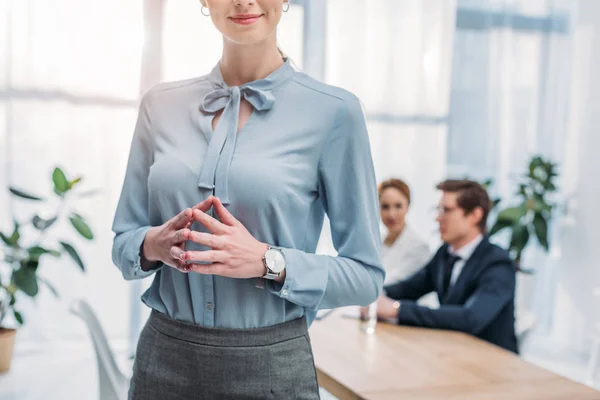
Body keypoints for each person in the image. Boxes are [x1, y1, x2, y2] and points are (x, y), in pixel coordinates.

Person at [111, 0, 384, 398]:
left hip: (271, 368)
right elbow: (123, 244)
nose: (243, 1)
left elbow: (366, 277)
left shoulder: (335, 113)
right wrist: (153, 244)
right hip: (162, 360)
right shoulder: (160, 105)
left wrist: (266, 262)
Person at [375, 179, 518, 353]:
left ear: (475, 215)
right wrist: (376, 294)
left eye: (447, 210)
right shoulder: (445, 253)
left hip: (491, 362)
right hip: (452, 351)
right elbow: (409, 288)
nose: (438, 217)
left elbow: (470, 318)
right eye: (439, 209)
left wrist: (397, 310)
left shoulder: (497, 263)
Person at [378, 178, 431, 285]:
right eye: (385, 207)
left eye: (398, 206)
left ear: (407, 206)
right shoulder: (377, 242)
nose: (391, 214)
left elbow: (391, 284)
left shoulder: (419, 248)